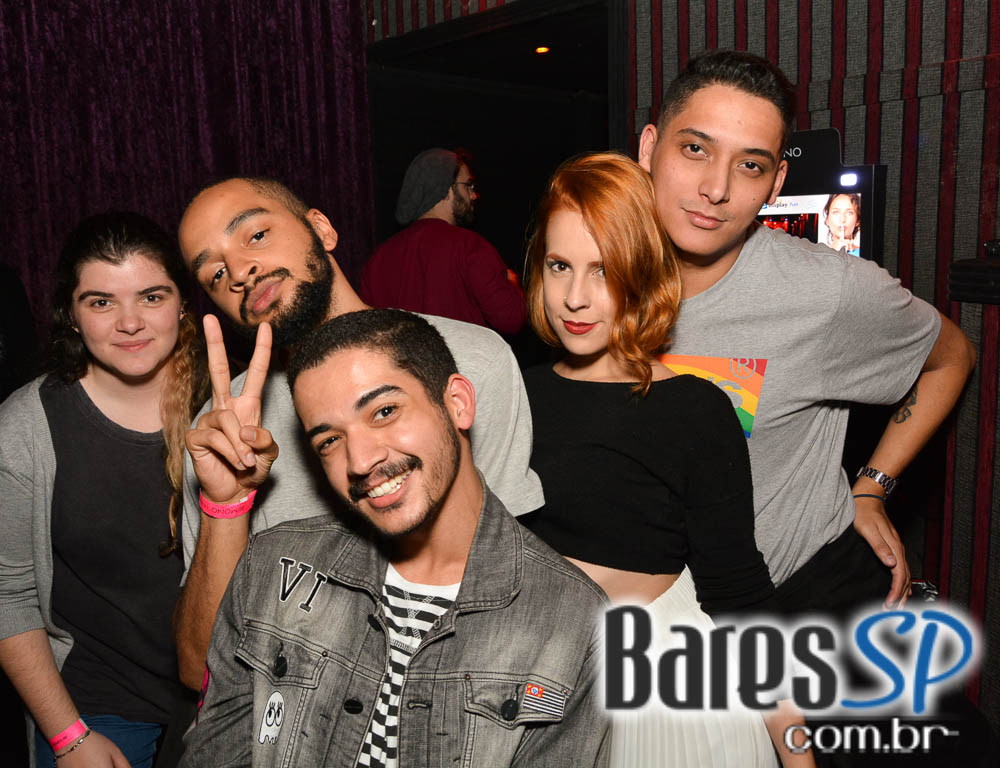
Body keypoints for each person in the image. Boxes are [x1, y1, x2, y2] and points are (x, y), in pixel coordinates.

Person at [180, 309, 608, 768]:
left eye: (384, 412)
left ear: (458, 403)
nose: (360, 460)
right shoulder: (273, 564)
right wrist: (225, 503)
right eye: (329, 441)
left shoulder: (575, 621)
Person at [637, 49, 976, 615]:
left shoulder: (826, 291)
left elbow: (952, 355)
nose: (715, 188)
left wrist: (872, 487)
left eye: (750, 165)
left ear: (776, 182)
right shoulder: (593, 276)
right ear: (649, 148)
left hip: (786, 605)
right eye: (695, 149)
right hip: (649, 610)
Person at [173, 177, 543, 692]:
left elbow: (516, 597)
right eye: (214, 273)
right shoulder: (223, 429)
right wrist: (228, 503)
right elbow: (200, 671)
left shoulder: (472, 363)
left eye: (255, 235)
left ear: (321, 229)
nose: (238, 272)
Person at [520, 152, 810, 768]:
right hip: (533, 680)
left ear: (642, 274)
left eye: (604, 270)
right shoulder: (514, 394)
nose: (575, 297)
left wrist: (798, 755)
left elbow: (739, 593)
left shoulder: (693, 409)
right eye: (560, 265)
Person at [0, 212, 207, 767]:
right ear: (71, 315)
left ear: (182, 304)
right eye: (101, 302)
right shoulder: (26, 428)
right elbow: (8, 596)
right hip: (95, 703)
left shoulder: (231, 402)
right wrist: (68, 736)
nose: (130, 323)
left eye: (151, 297)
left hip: (226, 692)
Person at [360, 148, 525, 335]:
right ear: (446, 190)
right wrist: (512, 285)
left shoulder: (378, 259)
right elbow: (511, 319)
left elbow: (368, 333)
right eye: (468, 185)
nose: (474, 195)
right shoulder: (469, 246)